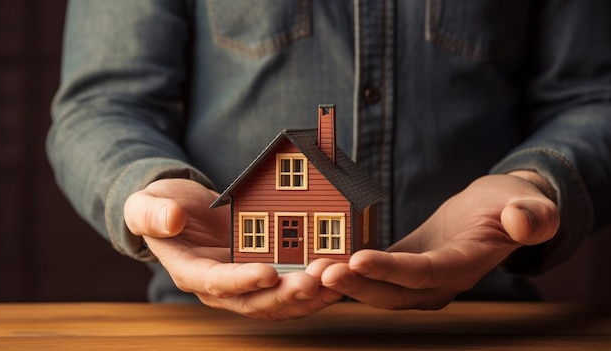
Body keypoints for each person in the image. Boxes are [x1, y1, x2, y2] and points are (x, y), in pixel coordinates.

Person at [47, 1, 611, 320]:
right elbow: (102, 104)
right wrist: (150, 186)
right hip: (215, 325)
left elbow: (593, 97)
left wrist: (535, 181)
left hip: (476, 319)